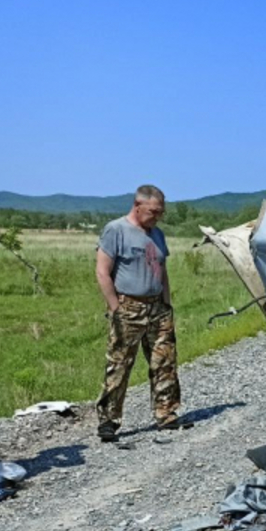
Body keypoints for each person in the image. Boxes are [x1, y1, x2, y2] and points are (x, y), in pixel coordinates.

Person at [94, 185, 181, 441]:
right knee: (119, 364)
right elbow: (102, 271)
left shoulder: (158, 235)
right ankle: (109, 420)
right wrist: (115, 308)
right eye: (153, 211)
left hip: (157, 307)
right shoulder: (116, 230)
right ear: (137, 206)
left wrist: (166, 304)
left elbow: (162, 270)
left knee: (164, 363)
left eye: (161, 212)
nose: (157, 217)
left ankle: (166, 414)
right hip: (128, 307)